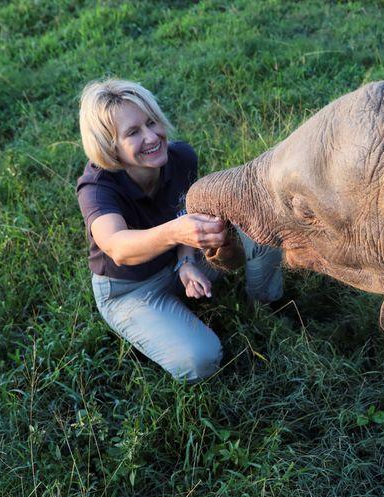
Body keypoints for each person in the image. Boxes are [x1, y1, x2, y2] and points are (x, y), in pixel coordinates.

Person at [77, 78, 283, 381]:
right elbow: (118, 246)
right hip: (131, 289)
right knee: (200, 359)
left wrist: (185, 260)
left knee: (261, 226)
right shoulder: (96, 187)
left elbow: (186, 212)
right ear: (110, 146)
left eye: (152, 122)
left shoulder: (181, 157)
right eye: (133, 132)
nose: (152, 137)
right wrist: (176, 233)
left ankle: (266, 309)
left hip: (179, 260)